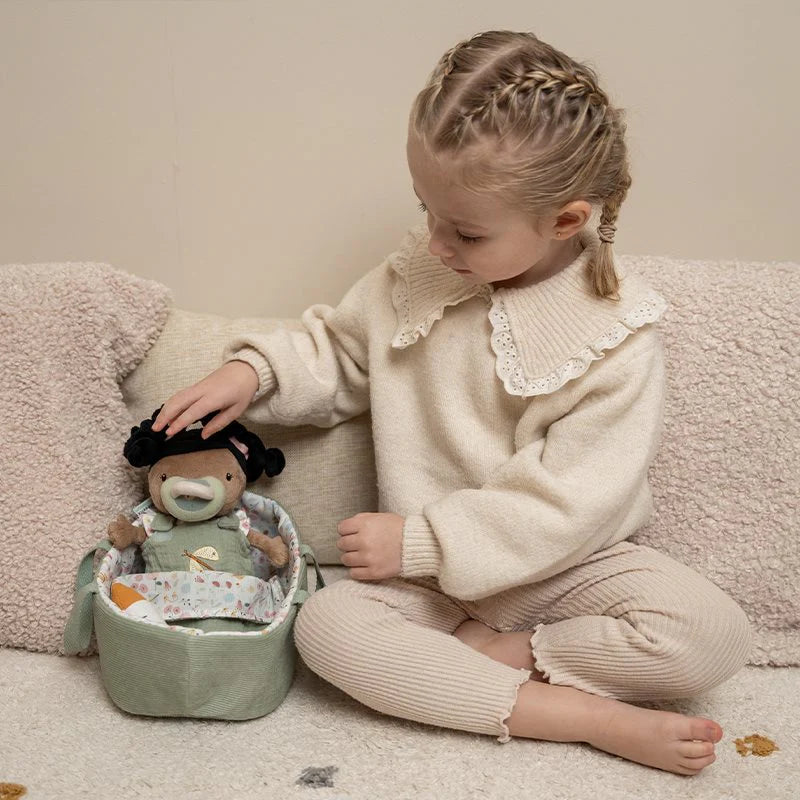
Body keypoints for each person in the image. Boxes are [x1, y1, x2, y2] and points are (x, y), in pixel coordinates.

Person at [153, 30, 752, 775]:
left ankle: (521, 662)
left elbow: (572, 499)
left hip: (566, 571)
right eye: (425, 211)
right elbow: (341, 351)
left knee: (714, 634)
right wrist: (255, 374)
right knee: (327, 628)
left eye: (465, 230)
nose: (435, 242)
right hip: (427, 587)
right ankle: (573, 715)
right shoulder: (419, 275)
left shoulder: (618, 337)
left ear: (566, 220)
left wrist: (421, 539)